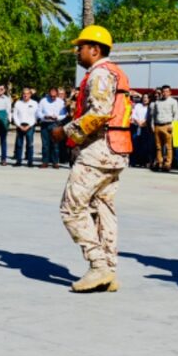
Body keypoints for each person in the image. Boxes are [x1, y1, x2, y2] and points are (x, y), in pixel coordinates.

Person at [51, 25, 132, 293]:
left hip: (98, 151)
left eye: (81, 47)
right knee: (103, 207)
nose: (77, 51)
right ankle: (109, 269)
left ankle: (98, 265)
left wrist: (65, 132)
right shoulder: (115, 72)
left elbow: (99, 113)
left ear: (95, 50)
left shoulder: (99, 73)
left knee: (71, 208)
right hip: (117, 150)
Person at [37, 86, 67, 169]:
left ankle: (55, 162)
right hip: (45, 124)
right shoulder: (43, 101)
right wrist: (44, 116)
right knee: (45, 145)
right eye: (51, 95)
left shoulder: (60, 102)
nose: (53, 97)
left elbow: (64, 114)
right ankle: (45, 162)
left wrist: (57, 117)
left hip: (55, 124)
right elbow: (38, 112)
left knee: (55, 145)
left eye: (54, 95)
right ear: (49, 93)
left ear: (57, 94)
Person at [151, 85, 178, 171]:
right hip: (157, 125)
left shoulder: (173, 102)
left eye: (167, 91)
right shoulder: (157, 102)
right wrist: (153, 125)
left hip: (167, 125)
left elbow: (176, 115)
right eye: (163, 91)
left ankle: (167, 164)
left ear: (170, 92)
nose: (165, 93)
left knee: (168, 147)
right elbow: (154, 115)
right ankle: (159, 162)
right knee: (158, 147)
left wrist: (173, 125)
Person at [12, 87, 37, 166]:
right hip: (20, 125)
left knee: (30, 144)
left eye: (27, 94)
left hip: (30, 126)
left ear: (30, 94)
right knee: (19, 144)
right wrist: (19, 125)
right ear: (22, 94)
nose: (25, 95)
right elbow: (15, 115)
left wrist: (29, 126)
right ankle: (18, 161)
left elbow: (35, 117)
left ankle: (30, 162)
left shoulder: (34, 103)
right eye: (24, 93)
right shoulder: (18, 103)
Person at [129, 94, 151, 167]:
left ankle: (143, 162)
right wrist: (138, 121)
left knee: (144, 146)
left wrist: (144, 122)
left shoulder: (150, 107)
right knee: (135, 144)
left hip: (145, 128)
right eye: (144, 97)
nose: (145, 99)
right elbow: (134, 114)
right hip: (136, 126)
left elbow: (149, 116)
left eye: (147, 98)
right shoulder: (138, 105)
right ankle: (133, 161)